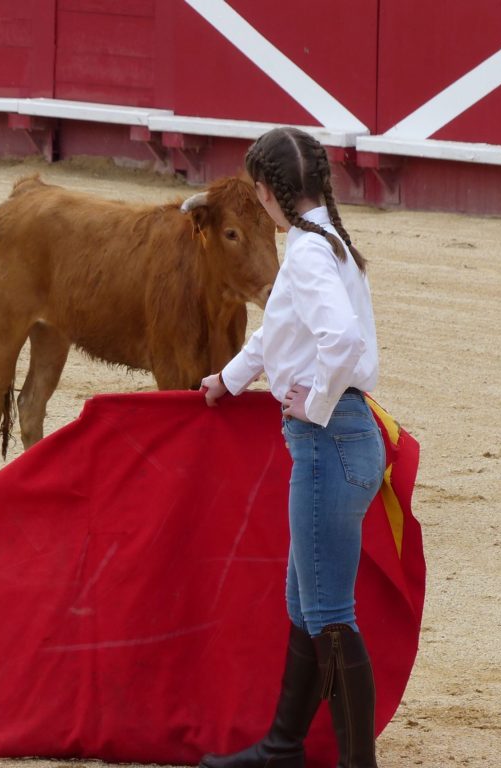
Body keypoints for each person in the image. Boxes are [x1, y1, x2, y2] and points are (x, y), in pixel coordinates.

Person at [199, 126, 385, 768]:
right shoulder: (324, 235)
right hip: (343, 442)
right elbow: (282, 331)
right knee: (305, 605)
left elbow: (341, 343)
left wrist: (316, 403)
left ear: (263, 192)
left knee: (330, 613)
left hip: (328, 441)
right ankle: (283, 748)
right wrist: (228, 379)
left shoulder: (307, 252)